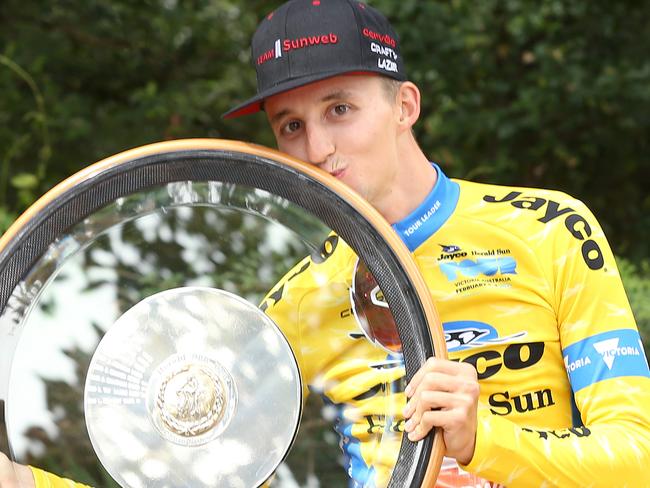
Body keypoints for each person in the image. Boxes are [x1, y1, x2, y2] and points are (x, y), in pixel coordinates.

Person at [3, 0, 649, 486]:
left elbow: (638, 459)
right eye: (291, 124)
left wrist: (487, 441)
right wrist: (23, 478)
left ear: (405, 106)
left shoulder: (548, 228)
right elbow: (185, 476)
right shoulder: (290, 306)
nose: (317, 150)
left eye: (340, 109)